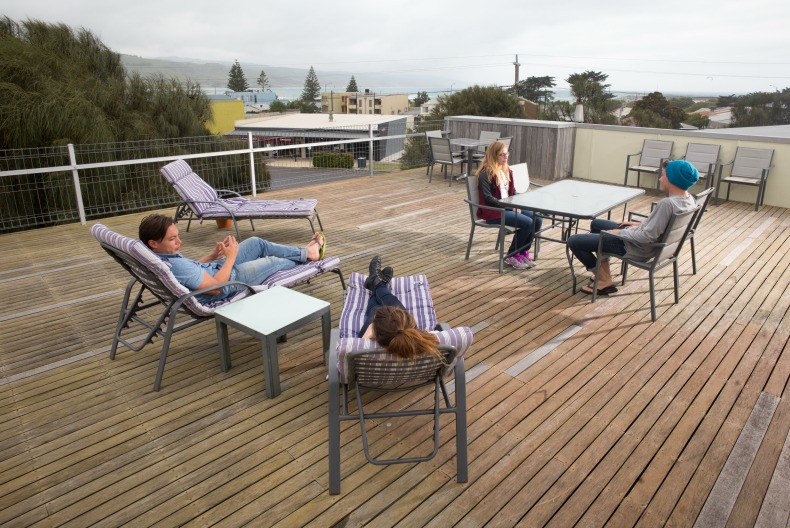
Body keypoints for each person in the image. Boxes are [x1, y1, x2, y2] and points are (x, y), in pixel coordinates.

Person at [567, 159, 699, 295]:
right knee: (597, 224)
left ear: (673, 179)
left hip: (637, 247)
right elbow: (665, 226)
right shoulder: (689, 200)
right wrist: (641, 224)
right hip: (648, 243)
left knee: (574, 241)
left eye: (664, 175)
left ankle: (603, 281)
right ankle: (604, 275)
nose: (660, 179)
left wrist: (620, 233)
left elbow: (647, 236)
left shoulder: (667, 204)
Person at [138, 214, 326, 304]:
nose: (179, 241)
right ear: (153, 243)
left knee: (256, 243)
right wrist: (230, 258)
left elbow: (193, 271)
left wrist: (213, 256)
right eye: (172, 239)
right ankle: (309, 254)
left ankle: (307, 252)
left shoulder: (160, 257)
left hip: (216, 270)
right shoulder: (174, 265)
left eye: (177, 236)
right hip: (228, 282)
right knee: (272, 262)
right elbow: (215, 288)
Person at [358, 256, 443, 362]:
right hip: (420, 377)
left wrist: (369, 330)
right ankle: (378, 283)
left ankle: (377, 283)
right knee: (388, 306)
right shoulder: (435, 343)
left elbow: (355, 354)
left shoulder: (361, 351)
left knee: (378, 308)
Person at [477, 140, 543, 269]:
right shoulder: (486, 173)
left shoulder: (506, 170)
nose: (506, 157)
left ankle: (523, 250)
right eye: (502, 155)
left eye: (507, 154)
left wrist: (518, 203)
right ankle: (511, 255)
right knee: (527, 223)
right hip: (494, 211)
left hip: (508, 208)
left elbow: (512, 192)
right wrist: (510, 207)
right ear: (494, 155)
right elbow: (488, 198)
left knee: (537, 218)